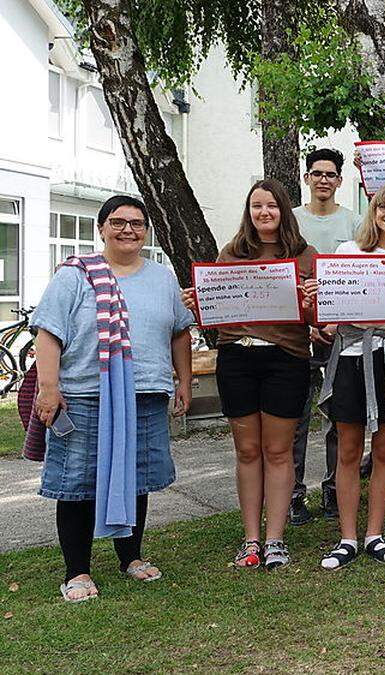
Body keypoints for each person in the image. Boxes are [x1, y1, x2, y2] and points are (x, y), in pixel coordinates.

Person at [32, 195, 193, 603]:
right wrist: (49, 388)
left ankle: (131, 557)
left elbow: (179, 332)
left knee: (138, 478)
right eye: (118, 222)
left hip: (145, 393)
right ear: (101, 227)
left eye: (137, 223)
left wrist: (184, 381)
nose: (128, 230)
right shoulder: (76, 275)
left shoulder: (162, 278)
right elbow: (48, 332)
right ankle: (77, 571)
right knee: (79, 483)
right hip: (86, 395)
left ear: (146, 231)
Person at [184, 178, 317, 570]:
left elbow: (315, 321)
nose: (264, 212)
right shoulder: (231, 253)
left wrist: (309, 304)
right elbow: (216, 314)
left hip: (286, 359)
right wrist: (198, 305)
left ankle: (275, 538)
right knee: (246, 451)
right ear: (249, 211)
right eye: (257, 206)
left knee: (278, 451)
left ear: (284, 211)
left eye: (272, 206)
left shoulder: (305, 255)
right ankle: (251, 540)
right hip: (236, 360)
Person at [313, 184, 385, 569]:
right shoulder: (348, 252)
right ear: (373, 210)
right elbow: (329, 315)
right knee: (348, 449)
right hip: (350, 355)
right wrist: (319, 297)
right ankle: (347, 537)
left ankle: (374, 534)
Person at [291, 148, 361, 524]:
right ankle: (295, 495)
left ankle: (335, 491)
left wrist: (332, 323)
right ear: (307, 178)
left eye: (329, 174)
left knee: (339, 416)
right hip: (299, 335)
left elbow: (361, 281)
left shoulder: (354, 223)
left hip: (341, 335)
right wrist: (309, 323)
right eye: (316, 173)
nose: (322, 180)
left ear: (338, 181)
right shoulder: (290, 222)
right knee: (296, 419)